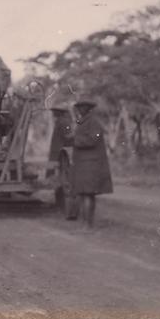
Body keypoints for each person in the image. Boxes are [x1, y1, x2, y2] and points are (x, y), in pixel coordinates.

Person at [71, 96, 113, 228]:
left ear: (88, 108)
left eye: (83, 107)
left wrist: (76, 140)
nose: (80, 109)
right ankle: (85, 223)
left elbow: (93, 140)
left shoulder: (94, 122)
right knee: (84, 194)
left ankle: (88, 225)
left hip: (91, 164)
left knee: (88, 194)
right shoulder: (82, 122)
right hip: (84, 163)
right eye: (79, 107)